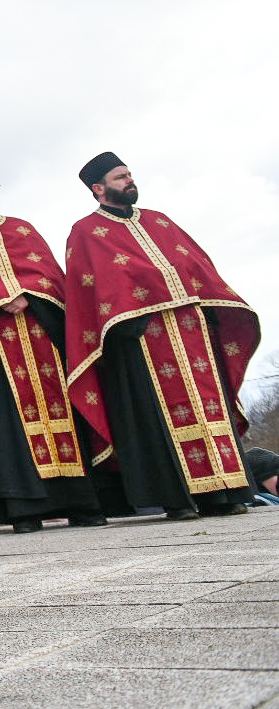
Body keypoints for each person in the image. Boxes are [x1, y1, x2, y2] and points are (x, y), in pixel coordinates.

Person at [64, 153, 258, 519]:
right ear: (98, 188)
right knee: (157, 417)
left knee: (210, 406)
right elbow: (92, 289)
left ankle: (227, 491)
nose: (129, 180)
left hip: (193, 331)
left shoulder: (159, 221)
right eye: (120, 177)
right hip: (140, 338)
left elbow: (196, 264)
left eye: (129, 174)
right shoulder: (86, 232)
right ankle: (178, 499)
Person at [0, 166, 107, 533]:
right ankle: (26, 509)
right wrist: (0, 299)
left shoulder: (22, 229)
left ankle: (80, 502)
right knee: (8, 422)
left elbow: (50, 274)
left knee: (65, 410)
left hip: (43, 333)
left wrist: (29, 295)